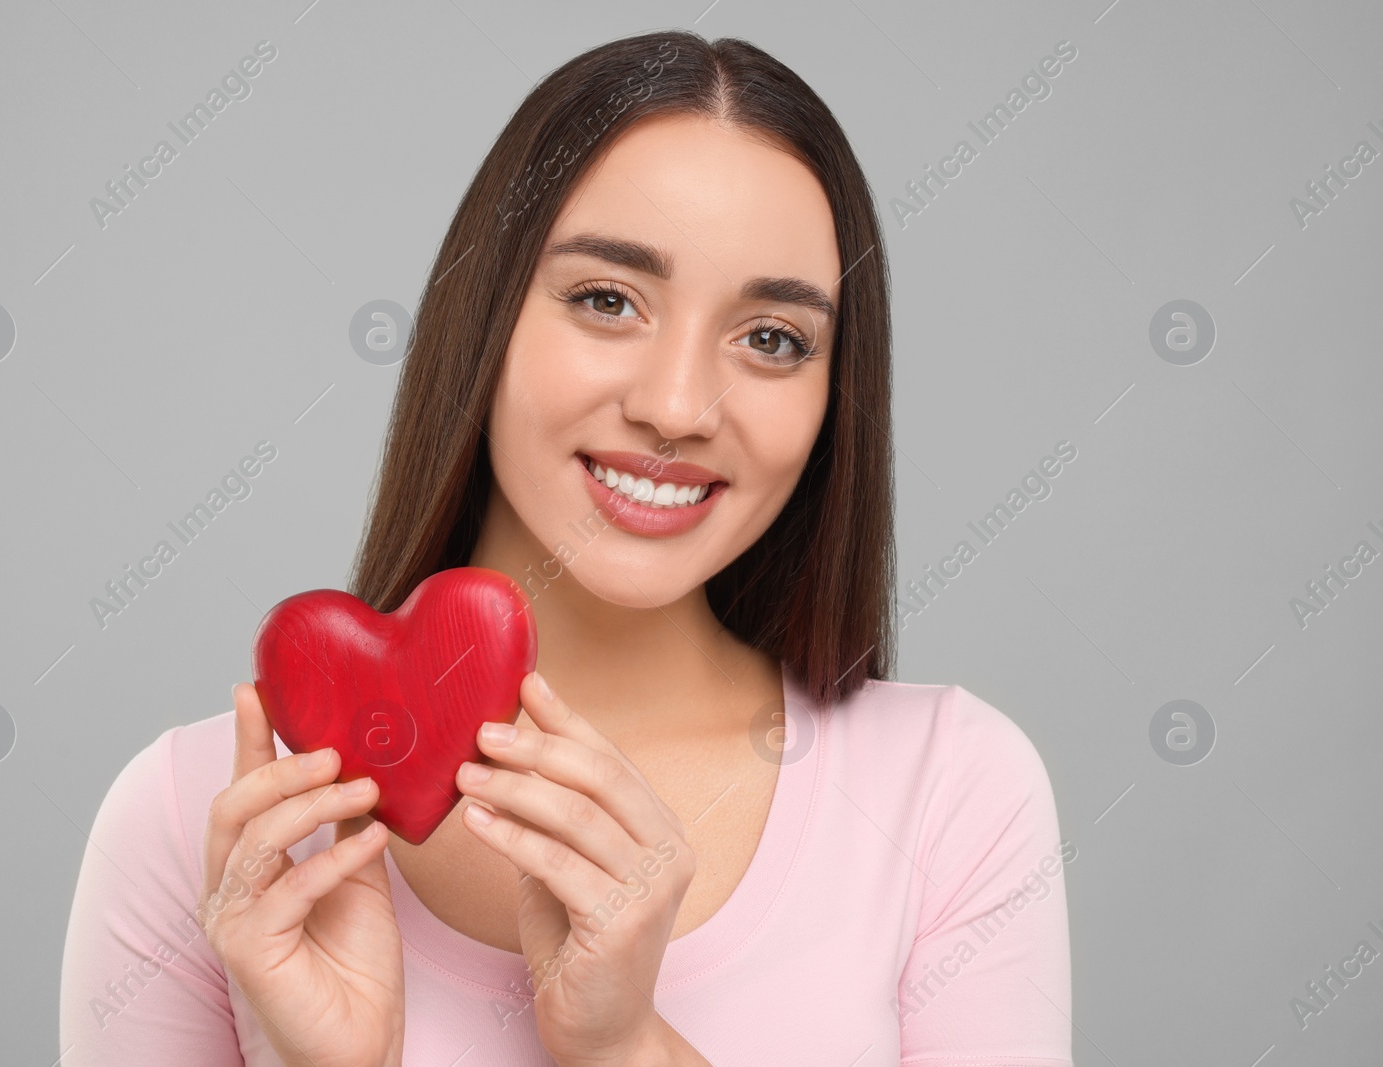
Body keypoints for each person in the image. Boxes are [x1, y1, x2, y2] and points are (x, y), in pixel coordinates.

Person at [59, 29, 1073, 1067]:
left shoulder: (950, 790)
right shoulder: (199, 823)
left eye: (771, 336)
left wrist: (628, 1047)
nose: (677, 407)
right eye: (606, 299)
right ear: (484, 318)